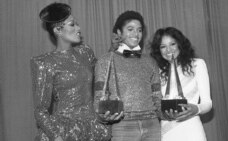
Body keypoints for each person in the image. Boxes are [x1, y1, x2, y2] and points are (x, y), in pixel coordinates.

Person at [30, 3, 111, 141]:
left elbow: (102, 80)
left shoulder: (85, 52)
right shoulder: (45, 62)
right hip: (63, 132)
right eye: (72, 25)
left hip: (93, 129)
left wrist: (114, 50)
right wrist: (56, 137)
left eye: (77, 24)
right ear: (58, 30)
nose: (79, 29)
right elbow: (40, 110)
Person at [94, 11, 162, 141]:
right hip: (122, 126)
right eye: (130, 29)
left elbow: (157, 97)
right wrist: (102, 116)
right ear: (119, 32)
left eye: (139, 30)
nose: (136, 34)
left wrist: (167, 114)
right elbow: (99, 96)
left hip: (152, 125)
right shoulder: (105, 60)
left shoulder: (151, 61)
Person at [150, 27, 212, 141]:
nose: (168, 50)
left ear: (180, 44)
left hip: (192, 129)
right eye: (163, 46)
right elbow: (154, 105)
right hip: (167, 131)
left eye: (172, 44)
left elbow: (207, 103)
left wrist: (195, 109)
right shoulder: (156, 71)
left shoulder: (197, 64)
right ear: (158, 50)